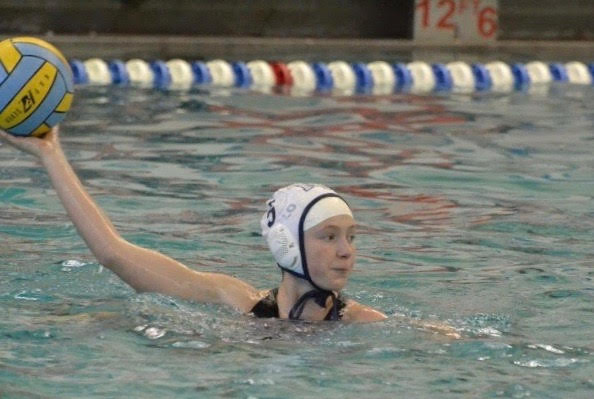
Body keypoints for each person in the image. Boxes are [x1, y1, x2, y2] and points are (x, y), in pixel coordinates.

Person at [0, 128, 460, 334]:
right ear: (287, 244)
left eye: (352, 237)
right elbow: (113, 253)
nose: (346, 252)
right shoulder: (230, 299)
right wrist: (50, 156)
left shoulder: (364, 324)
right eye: (329, 236)